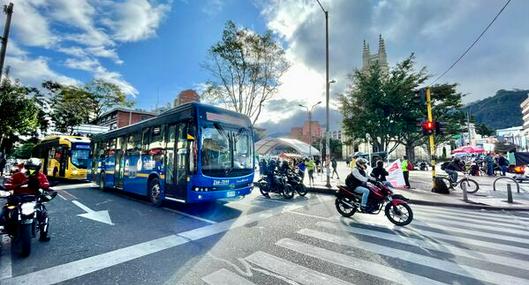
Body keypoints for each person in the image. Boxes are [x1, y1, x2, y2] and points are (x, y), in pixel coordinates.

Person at [2, 158, 51, 241]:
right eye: (30, 167)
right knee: (4, 212)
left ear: (38, 168)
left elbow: (46, 185)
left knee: (44, 214)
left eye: (34, 167)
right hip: (17, 199)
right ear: (26, 167)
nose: (32, 169)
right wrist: (19, 184)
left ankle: (43, 235)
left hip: (33, 199)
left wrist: (38, 185)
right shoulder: (17, 175)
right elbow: (7, 184)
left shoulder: (41, 176)